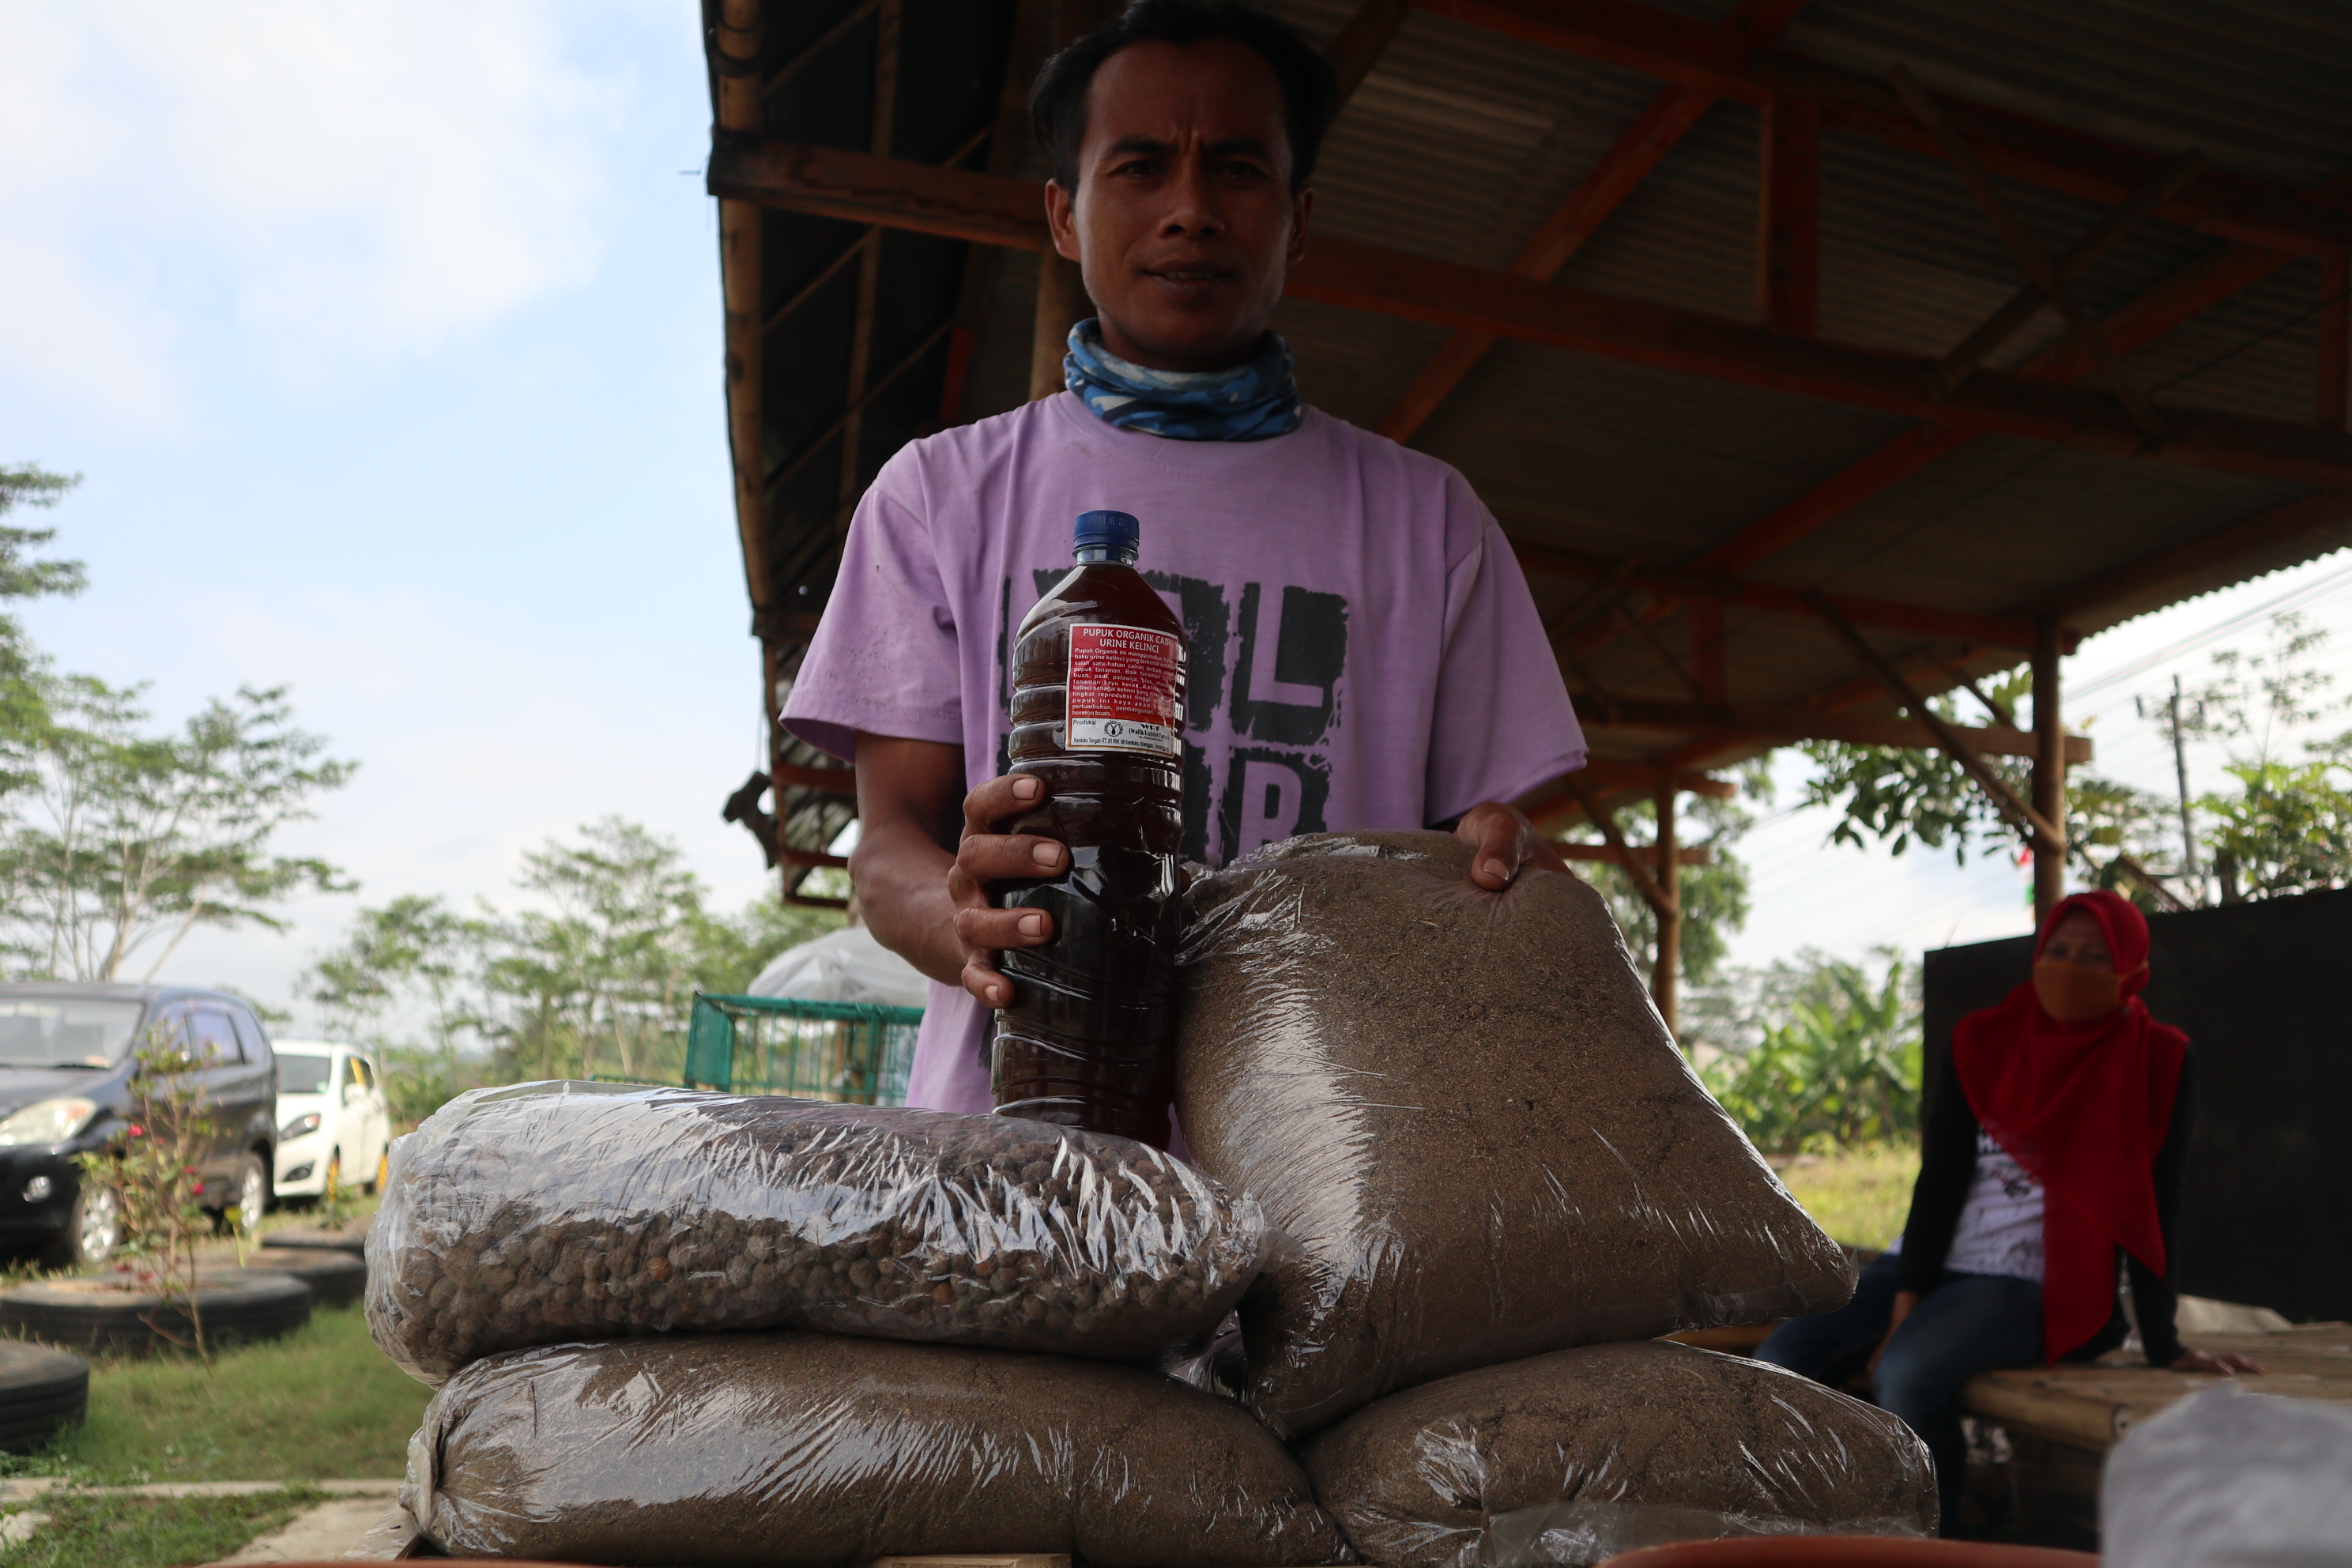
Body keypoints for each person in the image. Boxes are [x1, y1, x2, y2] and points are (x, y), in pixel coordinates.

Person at [778, 0, 1586, 1123]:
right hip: (1025, 1165)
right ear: (1064, 215)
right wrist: (960, 918)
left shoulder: (1431, 521)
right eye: (1142, 166)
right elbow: (889, 849)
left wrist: (1502, 869)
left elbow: (1476, 856)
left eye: (1240, 171)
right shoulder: (940, 495)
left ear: (1299, 219)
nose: (1193, 210)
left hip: (1327, 1173)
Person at [1755, 890, 2263, 1528]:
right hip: (1935, 1262)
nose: (2070, 967)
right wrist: (1904, 1306)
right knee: (1784, 1353)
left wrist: (2164, 1343)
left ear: (2132, 972)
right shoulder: (1985, 1042)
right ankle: (1795, 1529)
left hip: (2036, 1282)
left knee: (1910, 1377)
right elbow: (1939, 1178)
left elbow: (2158, 1201)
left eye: (2096, 957)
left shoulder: (2156, 1058)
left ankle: (1940, 1543)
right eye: (2057, 950)